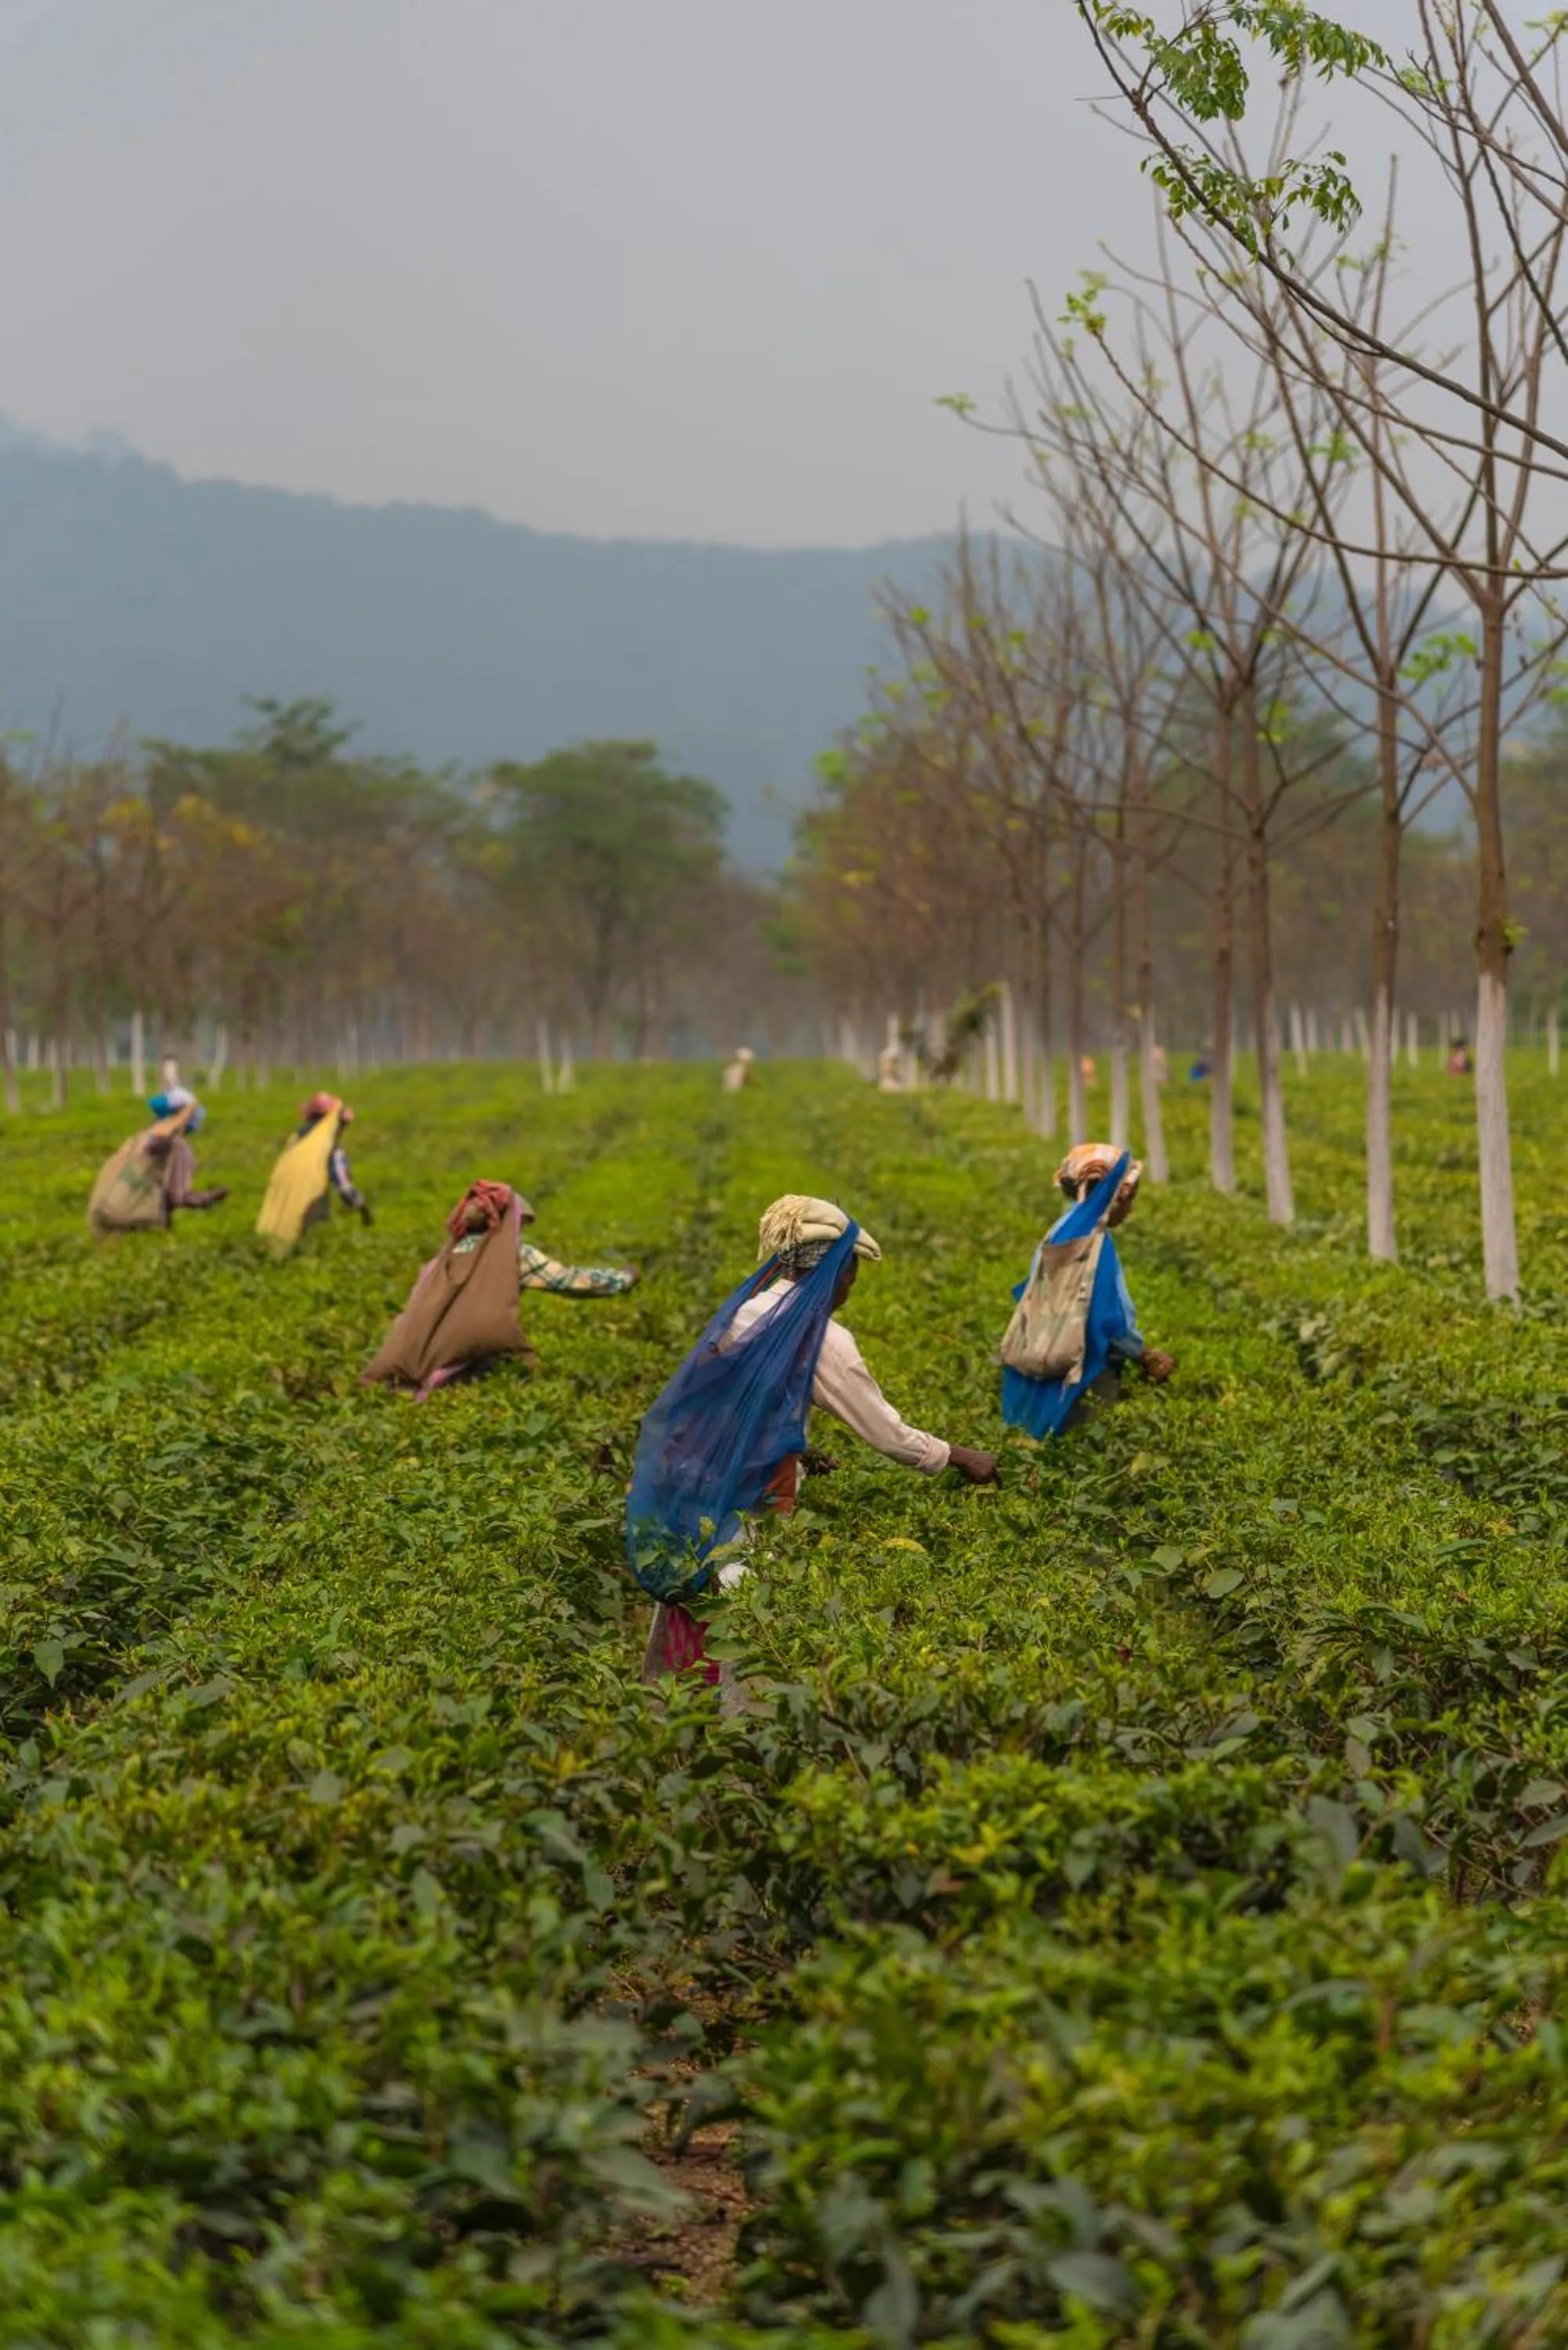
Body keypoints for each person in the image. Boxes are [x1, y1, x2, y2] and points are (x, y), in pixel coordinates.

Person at [628, 1192, 995, 1701]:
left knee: (694, 1588)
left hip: (700, 1481)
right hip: (749, 1499)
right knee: (744, 1609)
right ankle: (738, 1723)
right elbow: (885, 1432)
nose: (851, 1286)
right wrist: (960, 1457)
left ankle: (669, 1710)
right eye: (851, 1273)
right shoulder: (824, 1339)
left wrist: (796, 1451)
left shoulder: (746, 1310)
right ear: (835, 1271)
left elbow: (743, 1404)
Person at [363, 1180, 638, 1399]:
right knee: (514, 1369)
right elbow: (569, 1281)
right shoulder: (514, 1256)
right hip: (464, 1368)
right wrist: (622, 1279)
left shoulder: (444, 1257)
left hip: (419, 1363)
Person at [1000, 1143, 1173, 1441]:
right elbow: (1110, 1319)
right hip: (1083, 1370)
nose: (1130, 1209)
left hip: (1044, 1357)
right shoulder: (1093, 1244)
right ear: (1117, 1196)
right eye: (1129, 1199)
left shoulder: (1059, 1231)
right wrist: (1144, 1356)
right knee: (1082, 1446)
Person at [87, 1092, 228, 1235]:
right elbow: (179, 1197)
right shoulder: (178, 1147)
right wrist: (209, 1198)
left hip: (109, 1210)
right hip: (143, 1219)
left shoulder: (138, 1139)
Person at [256, 1092, 370, 1252]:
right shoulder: (330, 1149)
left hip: (283, 1209)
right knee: (309, 1246)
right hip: (311, 1212)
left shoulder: (297, 1139)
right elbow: (344, 1188)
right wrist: (365, 1212)